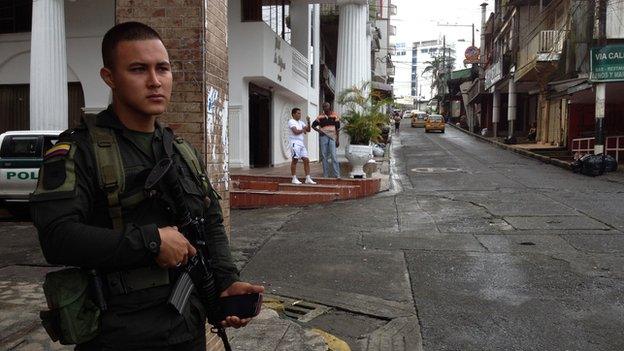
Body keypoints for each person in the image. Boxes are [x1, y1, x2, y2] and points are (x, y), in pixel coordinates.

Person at [30, 22, 263, 351]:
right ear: (109, 77)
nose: (155, 81)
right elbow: (57, 238)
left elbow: (209, 223)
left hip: (188, 326)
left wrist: (227, 281)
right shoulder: (79, 151)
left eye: (163, 69)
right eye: (138, 69)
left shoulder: (183, 151)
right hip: (119, 332)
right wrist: (150, 242)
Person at [312, 102, 340, 178]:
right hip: (323, 137)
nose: (325, 108)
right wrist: (319, 131)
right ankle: (325, 175)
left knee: (334, 156)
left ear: (329, 106)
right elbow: (313, 125)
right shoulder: (320, 116)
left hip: (332, 137)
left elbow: (337, 128)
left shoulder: (335, 115)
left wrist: (337, 139)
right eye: (324, 106)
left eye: (326, 106)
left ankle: (337, 175)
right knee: (324, 157)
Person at [288, 108, 316, 184]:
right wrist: (302, 130)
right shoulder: (291, 121)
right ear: (293, 114)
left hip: (301, 143)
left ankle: (308, 178)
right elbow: (295, 131)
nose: (300, 115)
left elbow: (308, 130)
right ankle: (294, 178)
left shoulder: (301, 122)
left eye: (300, 113)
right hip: (294, 143)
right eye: (298, 113)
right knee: (295, 160)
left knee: (306, 160)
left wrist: (308, 122)